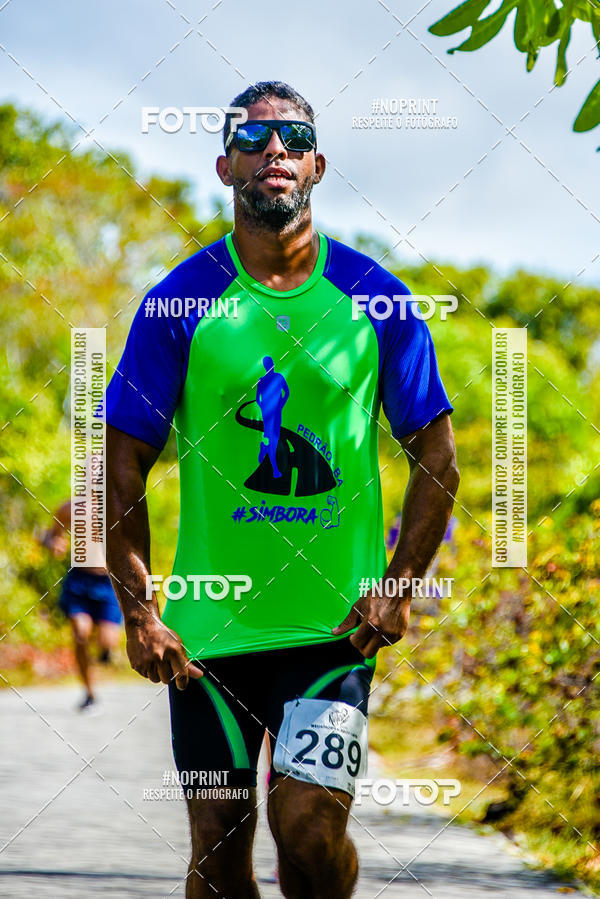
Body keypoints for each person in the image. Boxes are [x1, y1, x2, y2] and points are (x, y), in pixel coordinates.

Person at [105, 81, 459, 898]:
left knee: (307, 829)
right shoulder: (178, 304)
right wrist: (140, 612)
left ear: (318, 165)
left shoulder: (379, 301)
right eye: (255, 140)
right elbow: (122, 465)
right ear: (225, 163)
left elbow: (436, 457)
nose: (276, 152)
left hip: (334, 627)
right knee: (220, 854)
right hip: (208, 639)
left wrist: (398, 588)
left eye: (294, 139)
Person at [41, 498, 122, 712]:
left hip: (108, 582)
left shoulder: (119, 504)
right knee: (80, 631)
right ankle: (90, 693)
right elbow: (52, 535)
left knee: (107, 640)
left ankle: (105, 651)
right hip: (79, 578)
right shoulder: (70, 508)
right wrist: (52, 543)